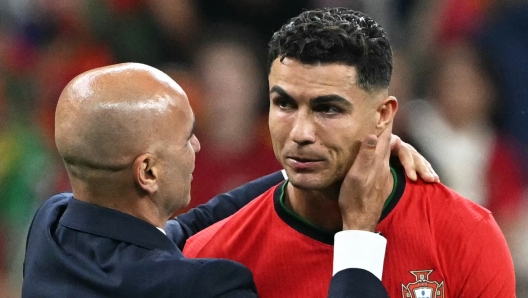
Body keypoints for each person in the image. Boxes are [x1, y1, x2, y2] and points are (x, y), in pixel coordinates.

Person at [21, 63, 435, 297]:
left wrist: (308, 167)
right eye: (186, 138)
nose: (198, 146)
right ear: (148, 172)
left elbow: (178, 230)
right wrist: (359, 234)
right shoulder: (203, 289)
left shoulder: (52, 228)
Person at [183, 8, 516, 298]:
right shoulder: (214, 255)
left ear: (383, 116)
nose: (300, 133)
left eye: (327, 109)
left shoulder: (466, 235)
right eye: (284, 104)